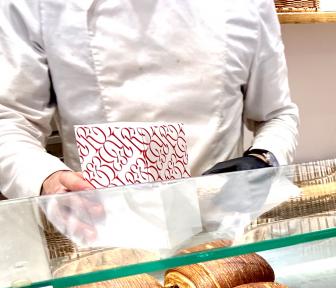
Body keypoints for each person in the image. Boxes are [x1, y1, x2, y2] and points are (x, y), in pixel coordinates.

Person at [0, 1, 299, 201]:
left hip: (220, 228)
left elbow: (277, 114)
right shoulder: (33, 5)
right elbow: (10, 122)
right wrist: (48, 179)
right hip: (100, 231)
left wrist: (262, 159)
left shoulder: (248, 5)